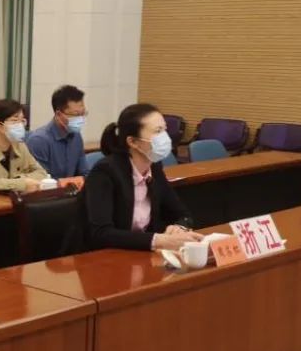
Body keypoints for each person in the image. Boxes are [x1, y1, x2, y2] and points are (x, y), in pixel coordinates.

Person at [68, 103, 201, 252]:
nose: (165, 137)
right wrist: (158, 240)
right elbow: (101, 233)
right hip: (95, 257)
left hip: (136, 254)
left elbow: (182, 214)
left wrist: (180, 227)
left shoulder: (154, 167)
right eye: (157, 131)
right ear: (132, 142)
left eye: (165, 129)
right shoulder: (105, 172)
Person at [26, 85, 90, 186]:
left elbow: (84, 173)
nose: (80, 119)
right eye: (76, 115)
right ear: (59, 115)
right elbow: (42, 182)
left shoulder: (76, 136)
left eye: (83, 114)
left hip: (71, 192)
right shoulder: (39, 140)